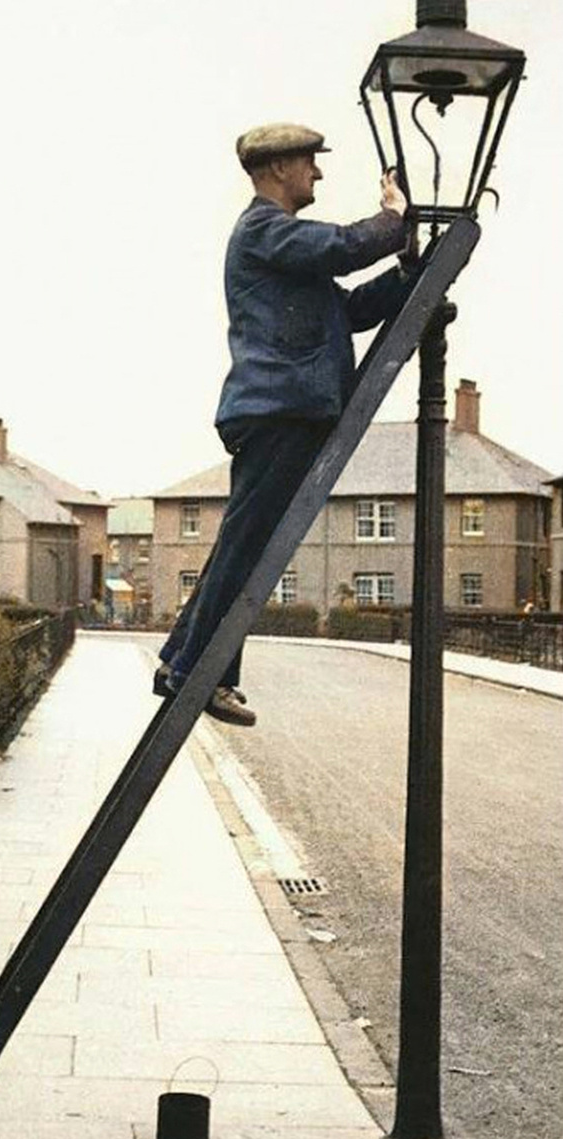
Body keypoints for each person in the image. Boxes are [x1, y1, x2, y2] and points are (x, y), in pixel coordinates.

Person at [154, 122, 413, 726]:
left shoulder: (278, 246)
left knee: (242, 546)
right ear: (276, 170)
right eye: (309, 163)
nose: (317, 173)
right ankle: (200, 673)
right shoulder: (265, 230)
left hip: (278, 411)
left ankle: (181, 661)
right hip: (280, 412)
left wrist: (406, 277)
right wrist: (395, 218)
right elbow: (344, 247)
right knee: (250, 551)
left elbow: (343, 311)